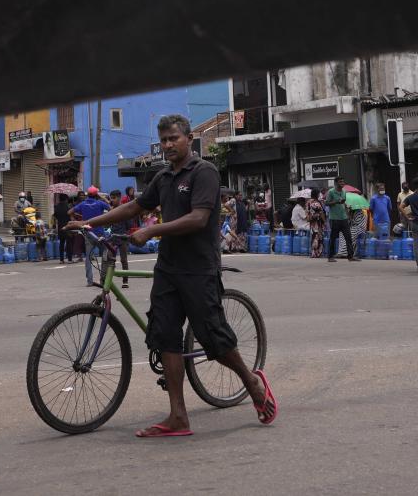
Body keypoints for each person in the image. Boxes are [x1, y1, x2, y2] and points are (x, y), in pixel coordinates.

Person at [66, 114, 276, 436]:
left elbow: (198, 218)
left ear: (188, 139)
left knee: (213, 339)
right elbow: (135, 208)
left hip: (198, 268)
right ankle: (178, 416)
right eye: (163, 140)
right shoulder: (163, 177)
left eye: (173, 139)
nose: (167, 145)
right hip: (168, 269)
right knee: (164, 335)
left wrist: (153, 232)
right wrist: (89, 224)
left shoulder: (204, 172)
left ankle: (251, 383)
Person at [70, 185, 111, 287]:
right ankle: (103, 279)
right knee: (105, 255)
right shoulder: (100, 203)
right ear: (96, 194)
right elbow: (111, 208)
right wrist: (103, 198)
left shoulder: (82, 204)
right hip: (100, 233)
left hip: (88, 233)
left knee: (88, 258)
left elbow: (69, 212)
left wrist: (77, 220)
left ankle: (89, 281)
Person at [326, 179, 355, 261]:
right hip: (334, 218)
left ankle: (350, 256)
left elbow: (343, 203)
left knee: (348, 237)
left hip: (344, 218)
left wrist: (348, 212)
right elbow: (326, 203)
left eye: (343, 182)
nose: (342, 183)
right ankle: (330, 256)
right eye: (340, 182)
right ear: (336, 183)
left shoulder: (344, 192)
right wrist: (336, 202)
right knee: (333, 238)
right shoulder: (331, 192)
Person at [306, 188, 327, 258]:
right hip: (318, 222)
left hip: (312, 222)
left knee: (314, 237)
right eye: (318, 194)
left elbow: (307, 212)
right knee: (318, 237)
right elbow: (321, 213)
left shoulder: (308, 202)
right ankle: (317, 253)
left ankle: (313, 252)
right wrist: (324, 221)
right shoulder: (316, 203)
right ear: (317, 194)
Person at [53, 193, 73, 263]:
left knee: (61, 243)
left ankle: (61, 260)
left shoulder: (56, 207)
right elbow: (71, 217)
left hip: (60, 228)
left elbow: (55, 216)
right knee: (69, 243)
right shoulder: (68, 207)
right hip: (67, 227)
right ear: (65, 199)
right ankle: (70, 259)